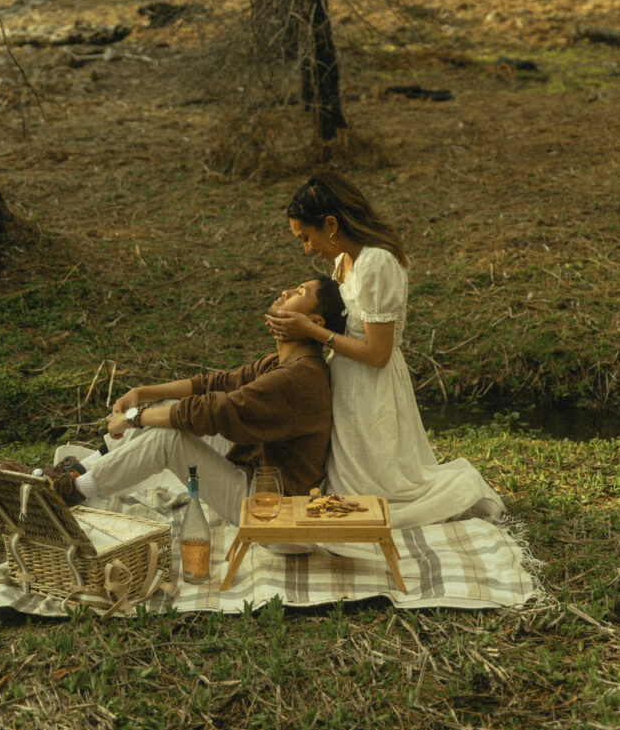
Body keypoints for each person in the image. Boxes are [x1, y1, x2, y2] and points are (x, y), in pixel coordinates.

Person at [265, 170, 505, 529]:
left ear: (330, 224)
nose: (307, 248)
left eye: (307, 237)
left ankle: (462, 489)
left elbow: (378, 353)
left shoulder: (377, 263)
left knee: (376, 493)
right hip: (347, 381)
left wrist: (314, 334)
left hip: (371, 385)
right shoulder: (344, 260)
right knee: (348, 491)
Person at [34, 276, 345, 526]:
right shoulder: (283, 363)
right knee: (165, 411)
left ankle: (73, 492)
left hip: (269, 508)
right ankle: (77, 471)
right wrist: (144, 393)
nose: (285, 290)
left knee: (168, 437)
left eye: (299, 292)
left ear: (314, 322)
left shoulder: (297, 378)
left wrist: (133, 417)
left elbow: (214, 410)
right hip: (253, 471)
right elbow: (214, 384)